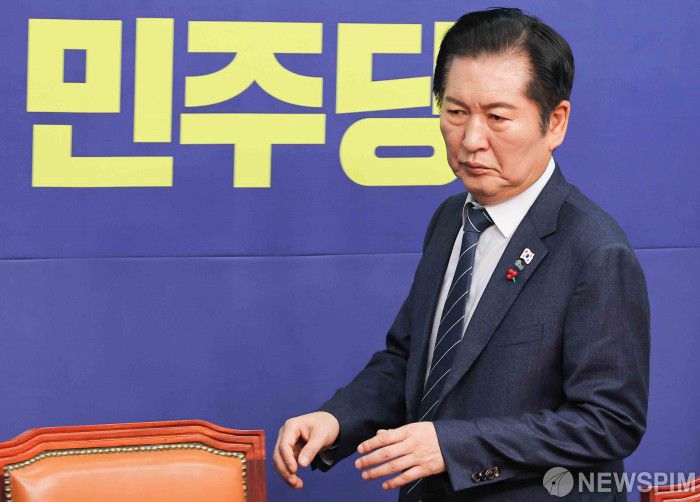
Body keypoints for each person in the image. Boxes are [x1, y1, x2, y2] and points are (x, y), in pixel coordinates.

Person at [273, 7, 650, 501]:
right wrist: (336, 419)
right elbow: (411, 360)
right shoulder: (453, 218)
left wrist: (452, 448)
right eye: (455, 113)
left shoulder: (595, 250)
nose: (471, 140)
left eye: (497, 118)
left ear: (555, 123)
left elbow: (609, 422)